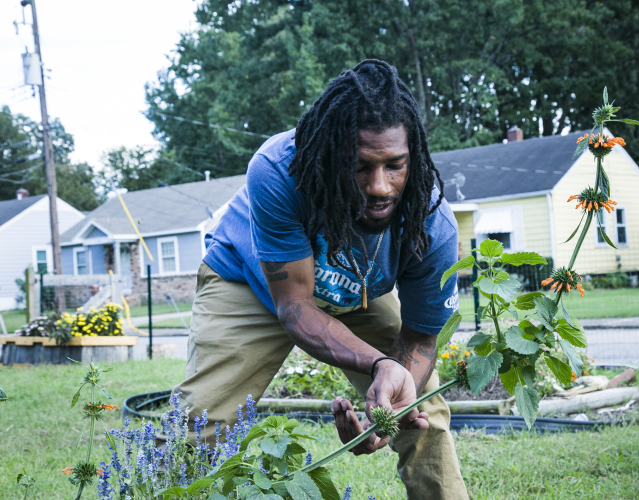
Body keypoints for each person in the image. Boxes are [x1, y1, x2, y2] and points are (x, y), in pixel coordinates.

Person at [172, 59, 468, 499]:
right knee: (200, 422)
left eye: (395, 165)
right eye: (360, 167)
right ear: (331, 157)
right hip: (248, 281)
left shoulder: (433, 223)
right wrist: (377, 363)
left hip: (356, 286)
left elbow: (423, 337)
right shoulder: (278, 170)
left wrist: (384, 410)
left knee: (420, 410)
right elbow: (296, 307)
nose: (381, 186)